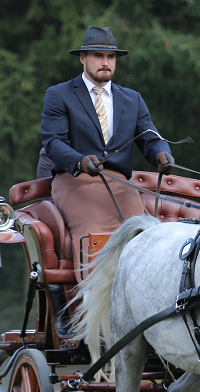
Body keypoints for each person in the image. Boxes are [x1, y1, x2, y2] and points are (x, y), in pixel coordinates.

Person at [39, 26, 174, 280]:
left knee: (142, 235)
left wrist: (161, 154)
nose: (105, 62)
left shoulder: (132, 99)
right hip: (74, 182)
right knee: (95, 238)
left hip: (121, 186)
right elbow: (53, 142)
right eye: (98, 56)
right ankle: (92, 305)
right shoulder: (59, 95)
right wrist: (79, 161)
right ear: (83, 58)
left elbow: (150, 138)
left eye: (110, 57)